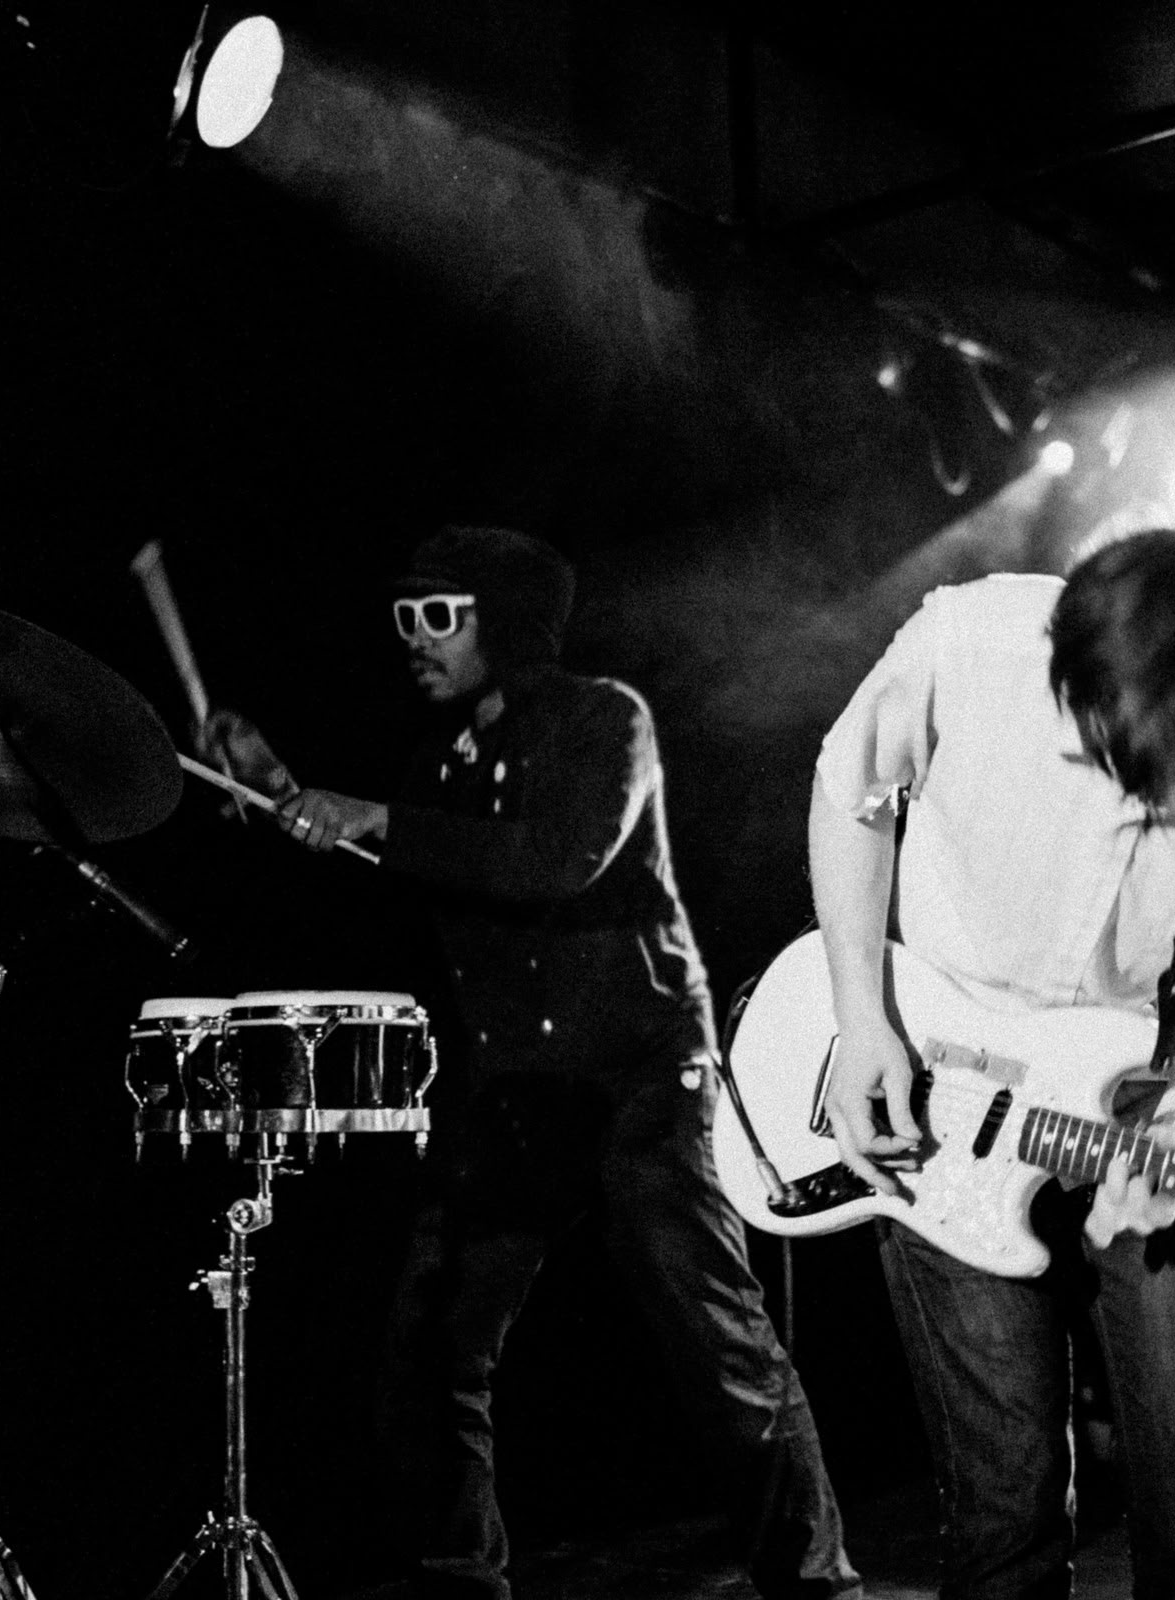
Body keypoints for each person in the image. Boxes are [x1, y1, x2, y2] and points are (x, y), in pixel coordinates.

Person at [200, 525, 857, 1600]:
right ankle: (461, 1580)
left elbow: (554, 858)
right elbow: (399, 861)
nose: (412, 639)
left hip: (639, 1078)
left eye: (437, 616)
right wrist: (279, 789)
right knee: (430, 1350)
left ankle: (815, 1583)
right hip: (520, 1095)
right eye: (404, 618)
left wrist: (375, 813)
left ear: (501, 621)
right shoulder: (440, 760)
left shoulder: (609, 719)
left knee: (720, 1352)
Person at [806, 524, 1175, 1600]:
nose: (1125, 802)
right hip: (946, 1099)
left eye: (1169, 786)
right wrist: (860, 1017)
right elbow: (851, 794)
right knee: (1002, 1511)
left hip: (1146, 1109)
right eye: (1093, 761)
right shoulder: (974, 642)